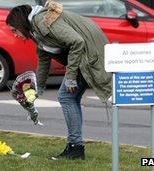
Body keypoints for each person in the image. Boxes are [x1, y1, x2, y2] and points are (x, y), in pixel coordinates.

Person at [6, 0, 112, 160]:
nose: (15, 34)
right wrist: (37, 89)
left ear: (21, 23)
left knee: (66, 97)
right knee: (70, 98)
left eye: (14, 30)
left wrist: (70, 78)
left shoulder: (41, 22)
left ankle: (76, 148)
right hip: (87, 53)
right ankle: (75, 147)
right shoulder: (36, 30)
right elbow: (43, 61)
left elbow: (78, 42)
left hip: (89, 54)